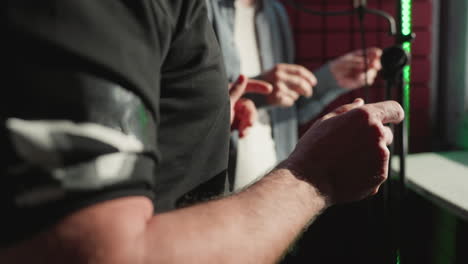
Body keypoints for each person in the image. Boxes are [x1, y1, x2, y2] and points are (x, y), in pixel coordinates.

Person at [1, 1, 403, 263]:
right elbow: (95, 252)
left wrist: (209, 119)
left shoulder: (272, 15)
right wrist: (314, 179)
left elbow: (147, 106)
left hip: (247, 224)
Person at [206, 0, 383, 190]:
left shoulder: (275, 12)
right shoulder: (199, 8)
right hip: (218, 198)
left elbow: (287, 112)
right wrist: (258, 95)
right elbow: (184, 108)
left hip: (274, 193)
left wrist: (331, 78)